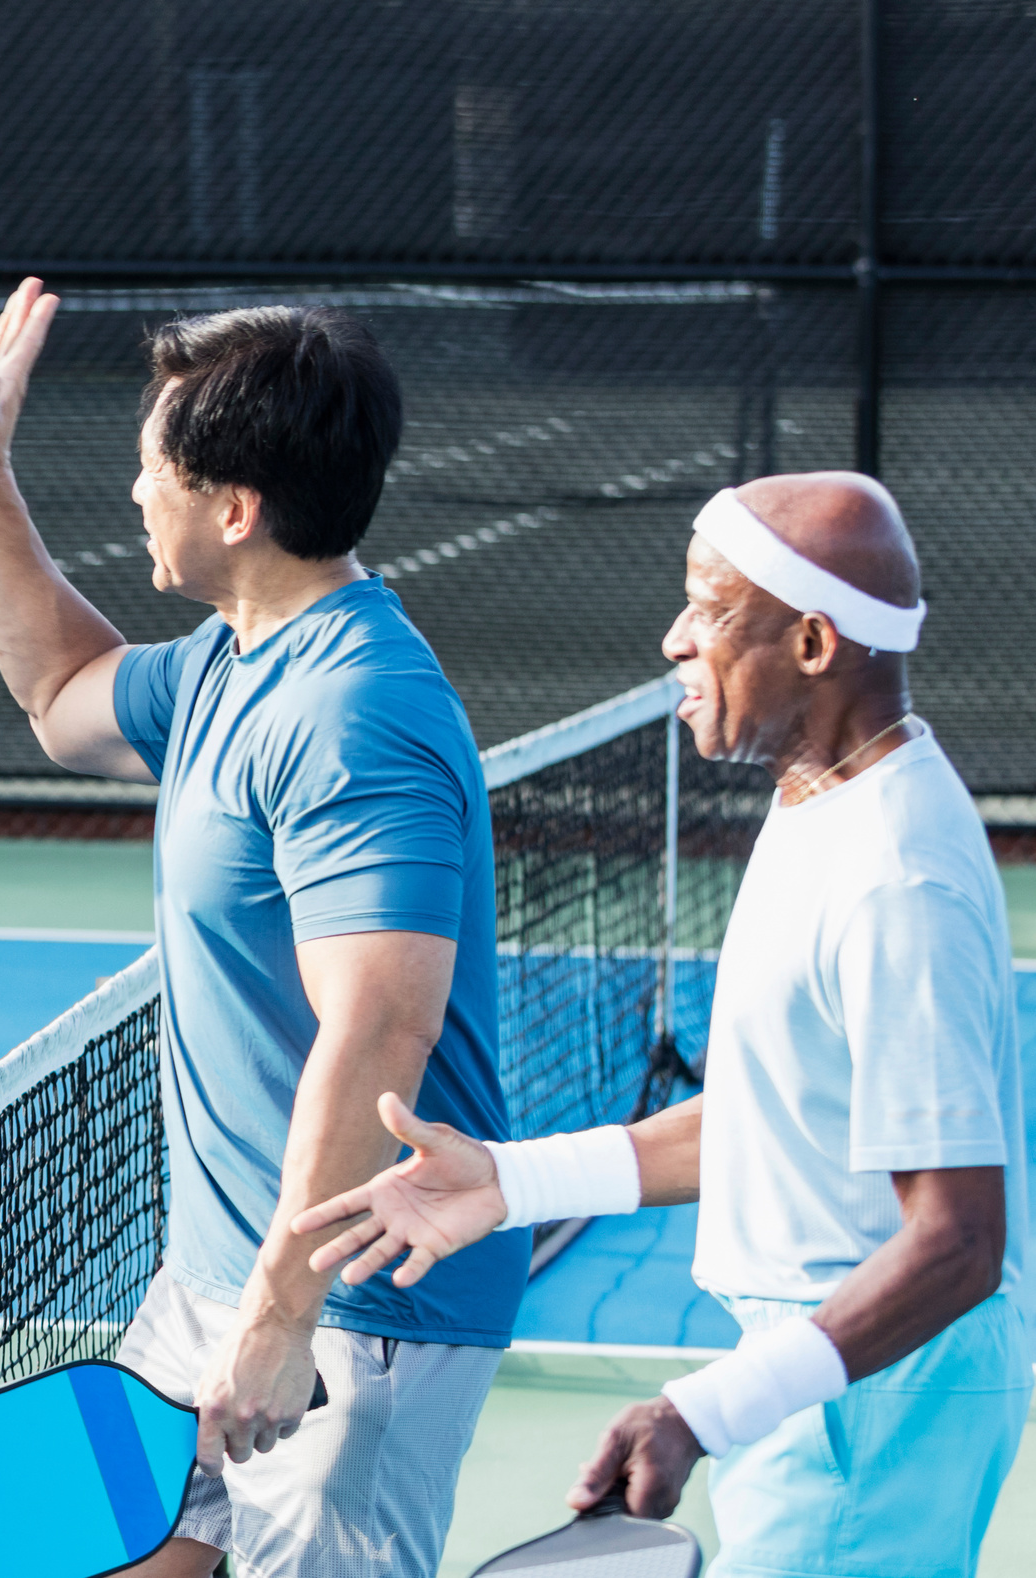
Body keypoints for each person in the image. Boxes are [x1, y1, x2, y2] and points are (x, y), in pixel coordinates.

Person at [293, 473, 1025, 1577]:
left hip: (876, 1399)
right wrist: (507, 1184)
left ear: (814, 644)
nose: (675, 639)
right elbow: (773, 1119)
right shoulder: (817, 799)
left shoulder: (892, 881)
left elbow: (959, 1243)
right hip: (839, 1379)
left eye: (709, 611)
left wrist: (703, 1410)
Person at [0, 282, 525, 1575]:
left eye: (151, 467)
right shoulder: (225, 661)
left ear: (234, 508)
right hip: (210, 1282)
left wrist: (282, 1306)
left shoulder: (350, 709)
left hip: (354, 1310)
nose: (134, 491)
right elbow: (55, 691)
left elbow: (376, 1021)